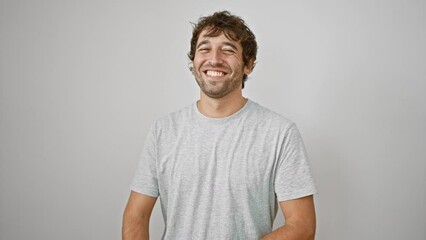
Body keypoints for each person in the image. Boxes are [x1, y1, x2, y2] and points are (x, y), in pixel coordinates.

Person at [122, 11, 317, 240]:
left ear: (249, 65)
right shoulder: (163, 131)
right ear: (193, 61)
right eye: (204, 49)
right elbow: (136, 216)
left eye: (228, 50)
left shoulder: (279, 133)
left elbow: (302, 227)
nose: (214, 59)